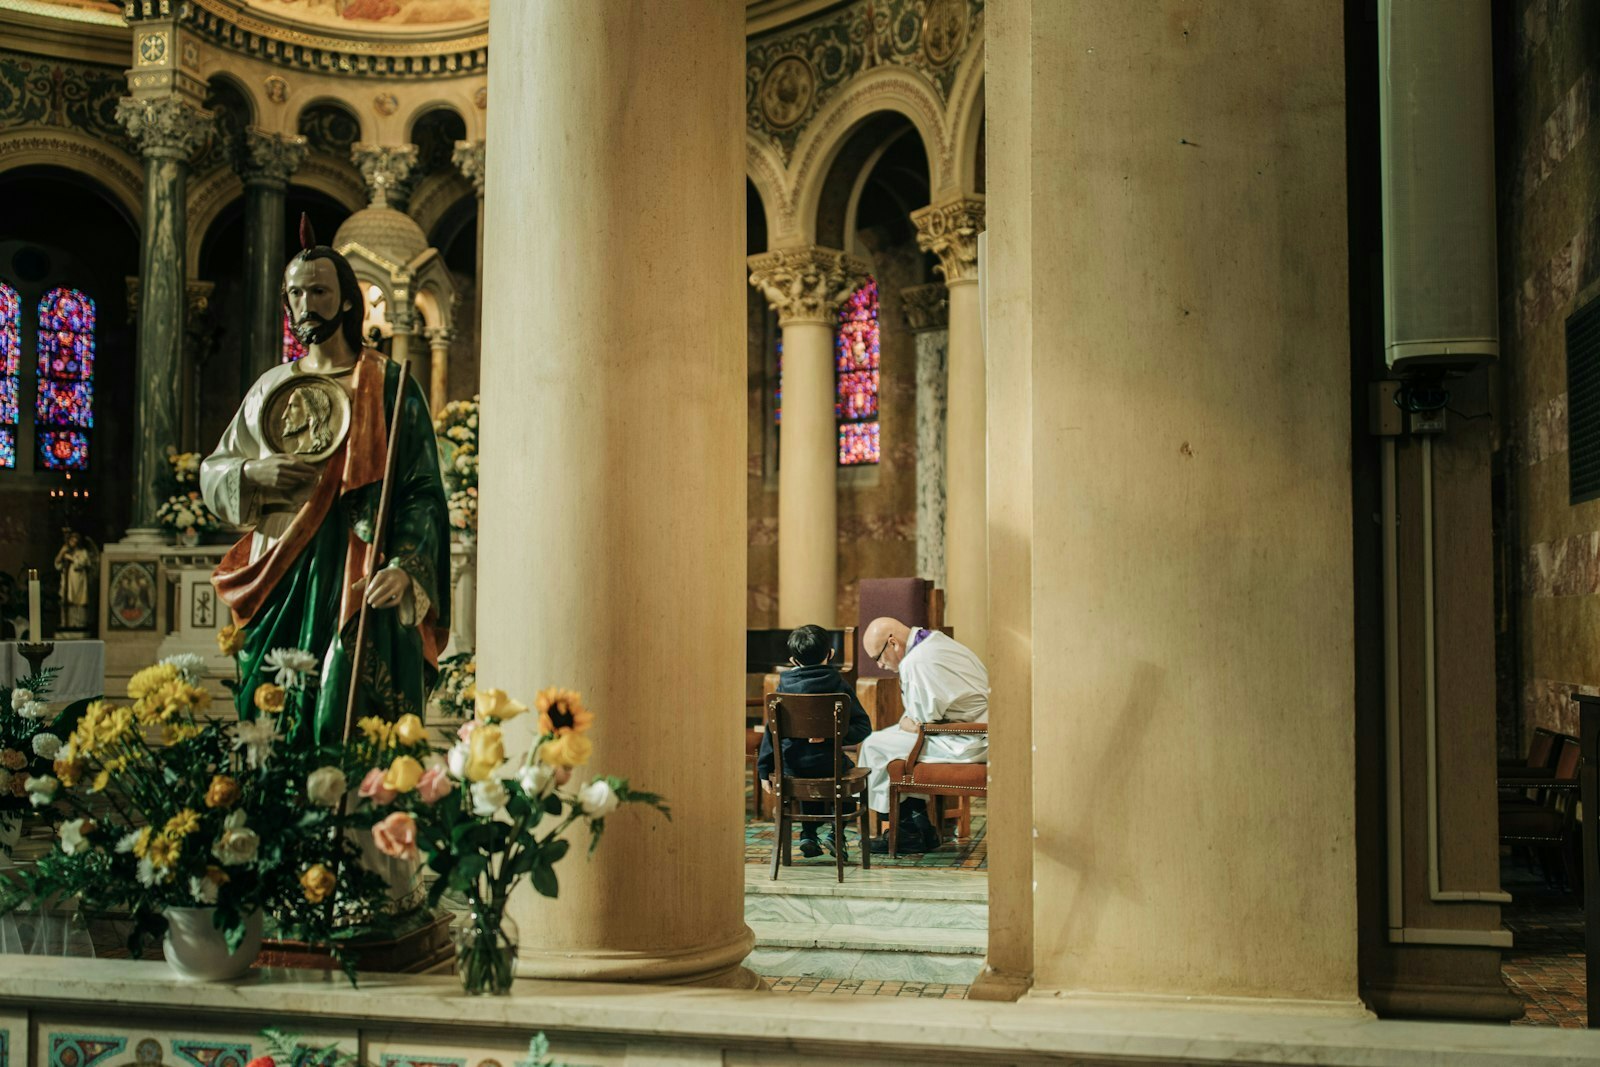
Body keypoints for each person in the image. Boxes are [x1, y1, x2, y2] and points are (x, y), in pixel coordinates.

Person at [200, 219, 450, 748]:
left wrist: (407, 567)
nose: (306, 303)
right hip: (281, 570)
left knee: (347, 710)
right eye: (296, 293)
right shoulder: (272, 387)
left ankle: (361, 823)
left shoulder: (391, 386)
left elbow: (422, 491)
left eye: (319, 291)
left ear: (345, 302)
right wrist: (252, 473)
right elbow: (216, 468)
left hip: (358, 571)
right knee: (276, 709)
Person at [857, 616, 988, 854]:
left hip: (967, 737)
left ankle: (906, 830)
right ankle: (921, 825)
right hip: (974, 730)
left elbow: (919, 722)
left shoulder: (917, 661)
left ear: (893, 643)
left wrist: (911, 722)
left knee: (874, 746)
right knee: (889, 739)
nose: (880, 666)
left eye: (878, 657)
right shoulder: (937, 641)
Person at [757, 624, 872, 859]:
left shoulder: (782, 688)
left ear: (793, 660)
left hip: (791, 767)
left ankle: (808, 835)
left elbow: (772, 732)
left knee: (807, 773)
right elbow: (863, 727)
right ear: (830, 654)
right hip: (828, 764)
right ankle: (835, 833)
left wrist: (764, 770)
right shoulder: (839, 685)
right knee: (844, 777)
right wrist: (833, 734)